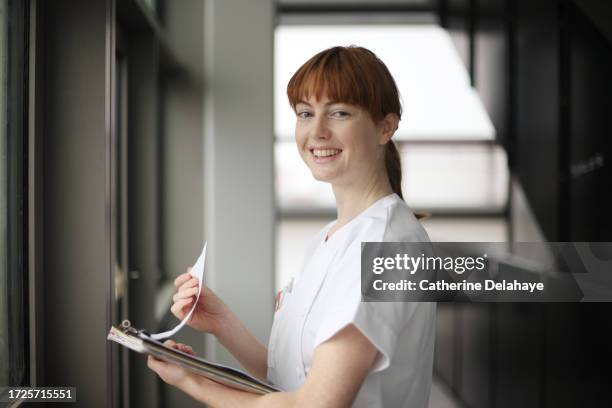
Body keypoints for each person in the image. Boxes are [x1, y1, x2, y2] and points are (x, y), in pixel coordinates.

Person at [148, 45, 436, 407]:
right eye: (305, 113)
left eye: (340, 113)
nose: (317, 131)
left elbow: (314, 405)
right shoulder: (327, 240)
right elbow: (290, 379)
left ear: (385, 127)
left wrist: (192, 383)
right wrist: (223, 324)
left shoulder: (387, 245)